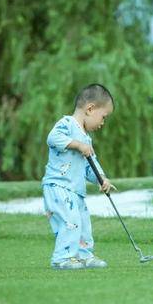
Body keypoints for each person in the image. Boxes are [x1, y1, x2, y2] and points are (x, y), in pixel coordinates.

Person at [42, 83, 116, 270]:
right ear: (90, 109)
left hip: (76, 190)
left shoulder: (86, 138)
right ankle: (62, 258)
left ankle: (83, 255)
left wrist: (102, 178)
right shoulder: (67, 124)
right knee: (70, 221)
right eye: (103, 117)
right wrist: (77, 144)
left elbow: (90, 165)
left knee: (83, 224)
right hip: (58, 186)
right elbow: (52, 138)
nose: (103, 123)